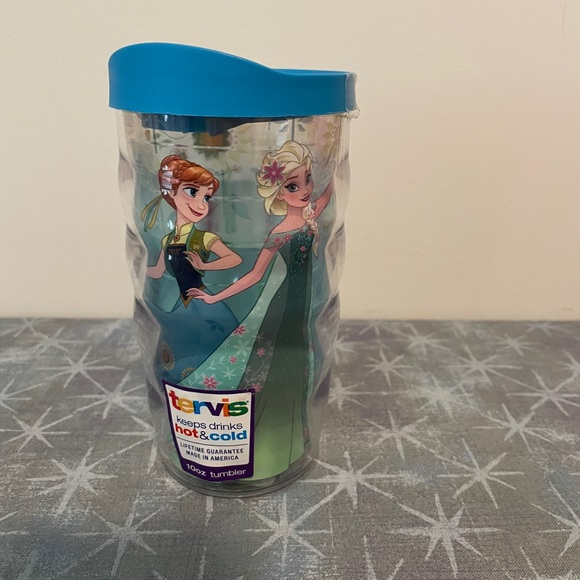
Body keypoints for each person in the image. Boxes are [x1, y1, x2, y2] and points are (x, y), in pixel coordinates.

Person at [184, 140, 334, 479]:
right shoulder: (279, 233)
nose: (305, 190)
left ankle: (292, 438)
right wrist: (215, 298)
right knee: (277, 365)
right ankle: (265, 437)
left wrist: (332, 158)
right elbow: (253, 275)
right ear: (279, 192)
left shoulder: (309, 215)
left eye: (307, 179)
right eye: (293, 186)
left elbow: (325, 196)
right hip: (284, 306)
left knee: (300, 364)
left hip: (303, 305)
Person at [142, 155, 241, 383]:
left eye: (206, 197)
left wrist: (204, 265)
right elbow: (157, 272)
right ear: (171, 192)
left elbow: (233, 258)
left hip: (202, 303)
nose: (201, 204)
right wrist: (138, 267)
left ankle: (219, 389)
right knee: (183, 354)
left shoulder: (203, 238)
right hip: (183, 305)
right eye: (192, 192)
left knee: (215, 353)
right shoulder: (167, 240)